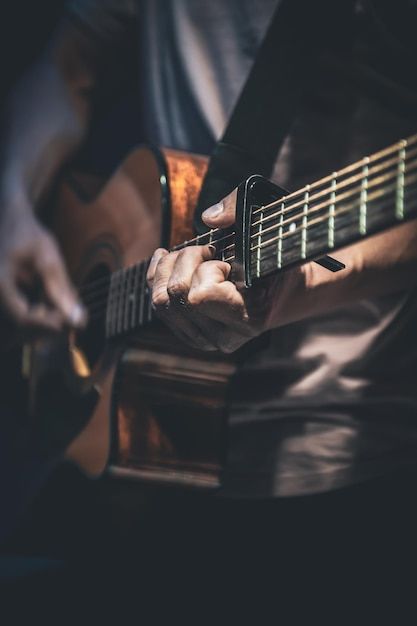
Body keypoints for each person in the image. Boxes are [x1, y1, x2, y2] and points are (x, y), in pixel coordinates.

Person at [1, 0, 417, 607]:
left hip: (332, 446)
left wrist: (298, 289)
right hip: (138, 462)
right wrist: (11, 208)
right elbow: (70, 58)